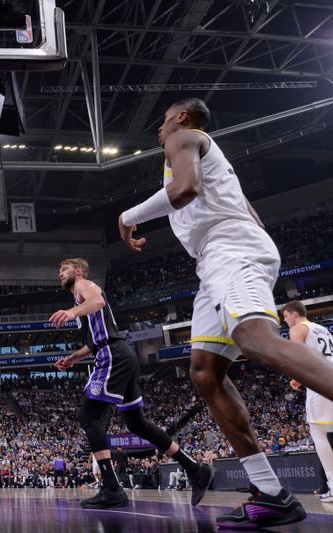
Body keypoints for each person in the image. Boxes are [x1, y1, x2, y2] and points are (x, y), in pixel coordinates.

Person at [116, 97, 333, 527]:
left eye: (161, 121)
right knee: (204, 371)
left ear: (180, 117)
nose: (159, 130)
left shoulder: (183, 137)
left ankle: (271, 494)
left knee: (255, 339)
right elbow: (249, 213)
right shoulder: (212, 161)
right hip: (218, 256)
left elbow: (184, 190)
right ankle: (271, 493)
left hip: (229, 250)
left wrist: (128, 216)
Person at [51, 258, 213, 509]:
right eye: (60, 270)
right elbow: (95, 339)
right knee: (137, 423)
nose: (60, 273)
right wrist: (73, 358)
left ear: (79, 271)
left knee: (88, 415)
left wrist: (72, 312)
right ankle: (194, 468)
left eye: (65, 269)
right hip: (120, 354)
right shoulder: (79, 300)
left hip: (112, 355)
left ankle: (112, 488)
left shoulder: (84, 285)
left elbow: (99, 301)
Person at [283, 300, 333, 503]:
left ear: (295, 314)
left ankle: (332, 485)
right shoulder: (322, 329)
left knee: (318, 431)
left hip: (320, 383)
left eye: (285, 316)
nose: (285, 321)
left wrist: (296, 377)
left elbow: (299, 358)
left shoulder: (297, 329)